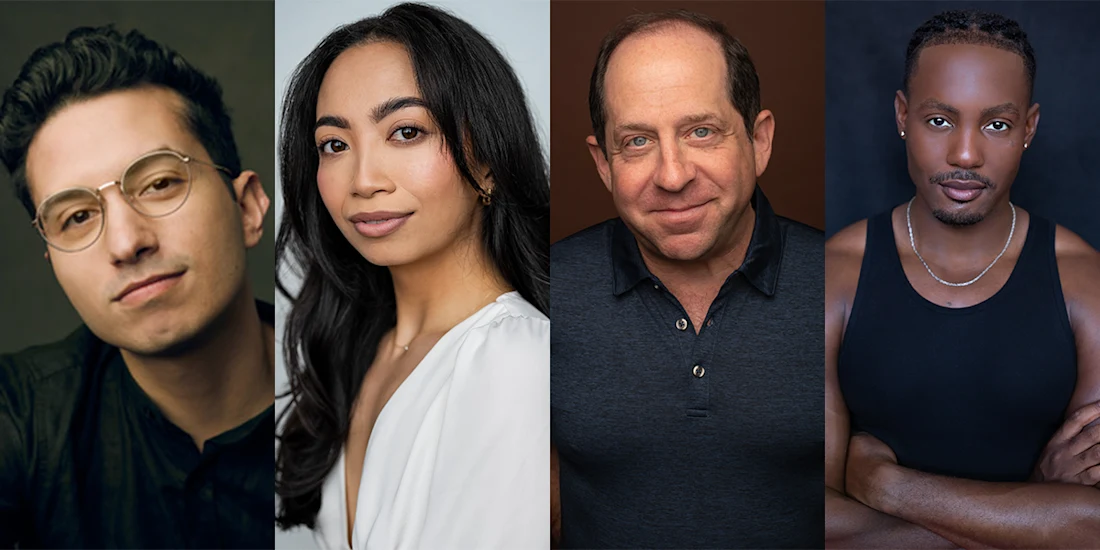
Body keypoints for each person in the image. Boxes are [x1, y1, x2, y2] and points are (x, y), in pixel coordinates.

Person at [273, 4, 549, 549]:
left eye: (405, 132)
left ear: (488, 158)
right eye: (335, 144)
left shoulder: (514, 358)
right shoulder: (358, 352)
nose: (364, 179)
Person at [826, 9, 1100, 548]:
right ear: (903, 115)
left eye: (996, 124)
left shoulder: (1085, 285)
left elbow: (1094, 527)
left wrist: (885, 485)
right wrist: (1030, 516)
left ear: (1029, 127)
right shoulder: (834, 277)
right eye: (939, 120)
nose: (966, 154)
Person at [550, 10, 824, 548]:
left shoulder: (842, 283)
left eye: (701, 132)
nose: (672, 176)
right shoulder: (542, 292)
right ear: (603, 163)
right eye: (636, 142)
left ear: (759, 140)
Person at [0, 26, 274, 548]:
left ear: (247, 208)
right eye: (77, 216)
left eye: (159, 184)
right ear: (53, 259)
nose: (126, 243)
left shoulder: (376, 401)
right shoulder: (20, 418)